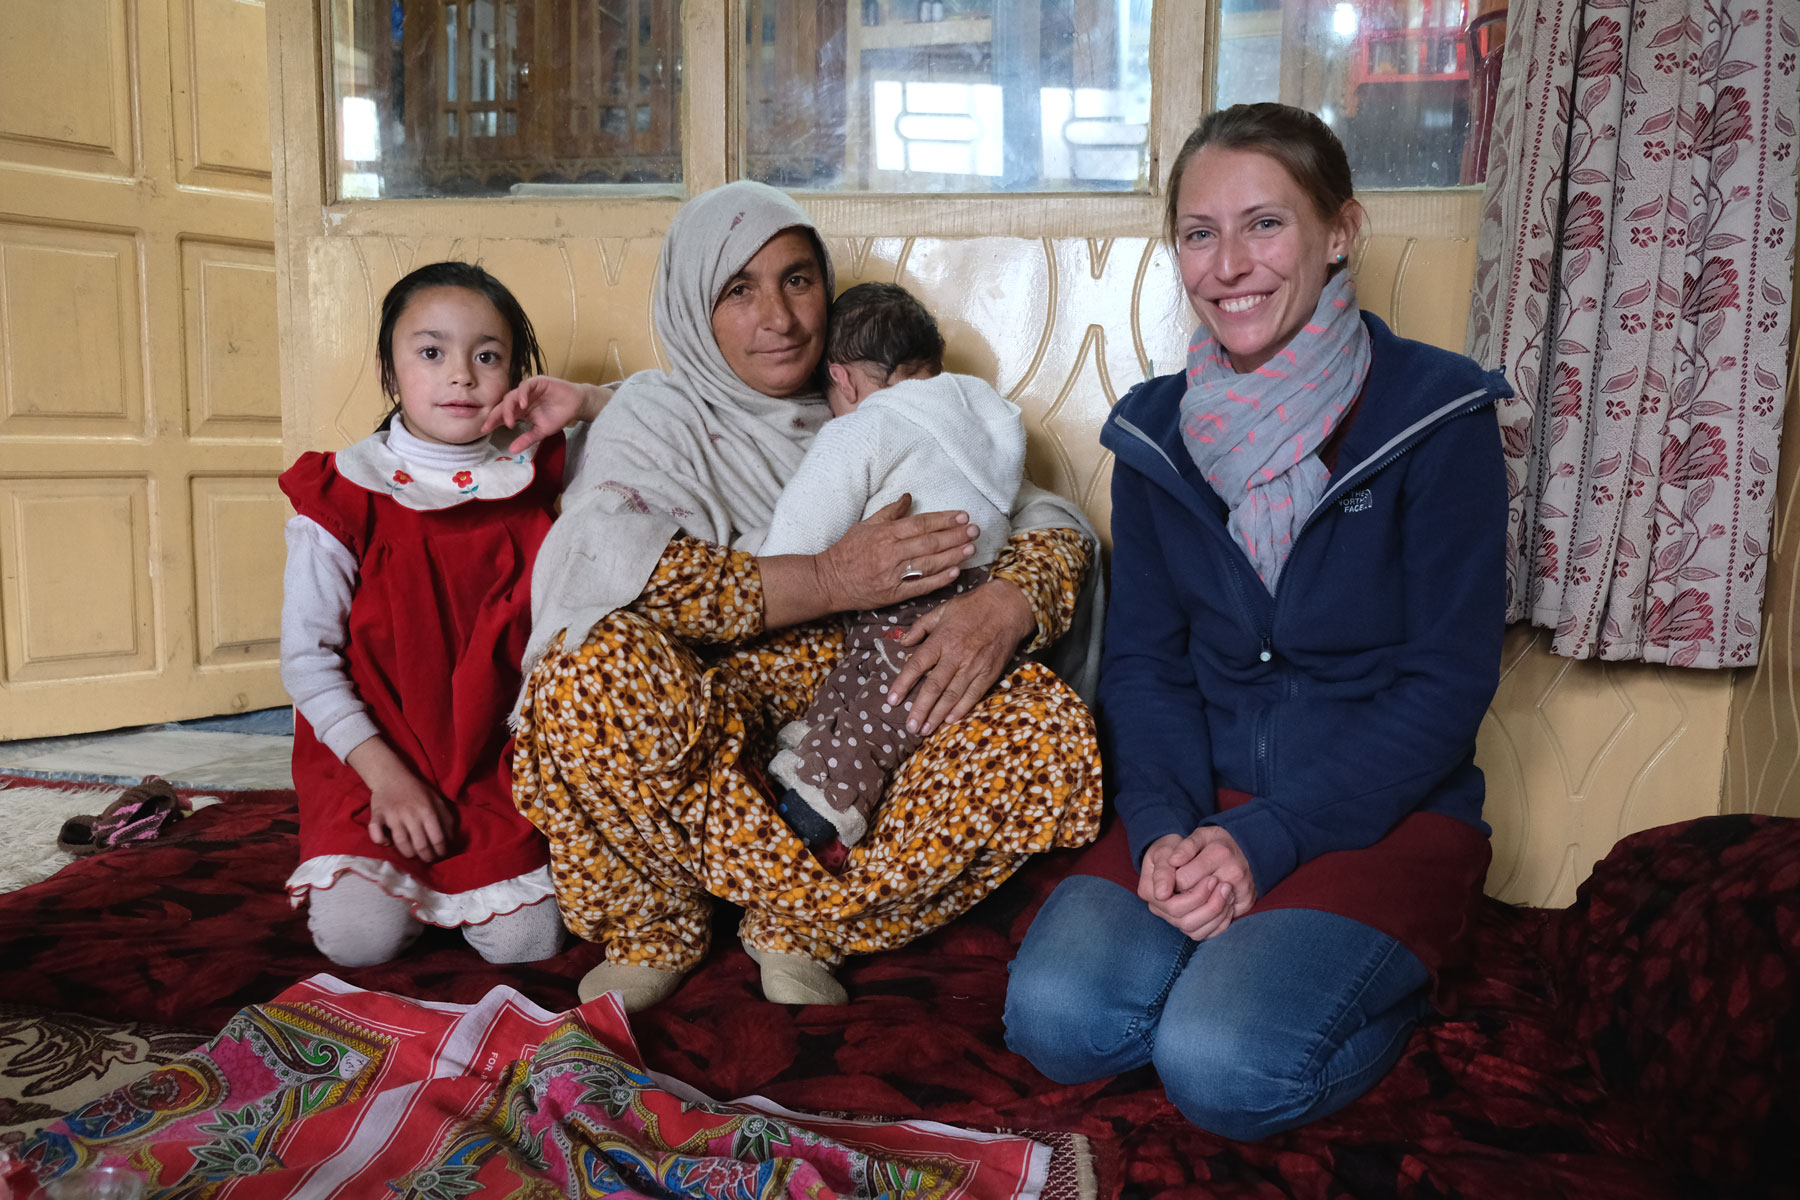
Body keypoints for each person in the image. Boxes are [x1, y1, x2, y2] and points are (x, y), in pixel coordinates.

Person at [1003, 103, 1511, 1140]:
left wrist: (1268, 841)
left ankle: (1363, 981)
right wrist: (1164, 831)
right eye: (1199, 233)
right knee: (1055, 1021)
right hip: (1200, 803)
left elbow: (1448, 685)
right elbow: (1145, 664)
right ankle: (1227, 954)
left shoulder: (1438, 414)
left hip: (1382, 808)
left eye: (1265, 224)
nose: (1229, 264)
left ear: (1340, 232)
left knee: (1221, 1067)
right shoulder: (1152, 433)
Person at [485, 180, 1102, 1011]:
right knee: (585, 675)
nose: (778, 317)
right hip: (712, 717)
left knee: (1038, 724)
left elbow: (1041, 518)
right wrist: (832, 578)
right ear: (692, 309)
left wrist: (1006, 604)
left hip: (867, 719)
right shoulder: (656, 414)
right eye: (739, 290)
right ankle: (660, 920)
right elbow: (630, 577)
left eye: (798, 279)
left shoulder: (881, 403)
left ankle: (796, 922)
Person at [279, 261, 606, 968]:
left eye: (486, 356)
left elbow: (662, 419)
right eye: (431, 353)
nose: (461, 375)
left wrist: (584, 400)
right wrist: (387, 780)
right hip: (376, 759)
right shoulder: (342, 496)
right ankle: (390, 877)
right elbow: (306, 661)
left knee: (529, 943)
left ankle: (459, 883)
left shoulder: (534, 468)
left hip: (494, 762)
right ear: (388, 372)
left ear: (517, 374)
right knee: (360, 942)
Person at [757, 282, 1028, 851]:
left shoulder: (867, 424)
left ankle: (819, 811)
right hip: (976, 589)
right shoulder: (990, 421)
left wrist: (769, 566)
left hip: (912, 601)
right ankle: (818, 742)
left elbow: (800, 537)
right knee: (870, 681)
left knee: (882, 711)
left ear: (843, 379)